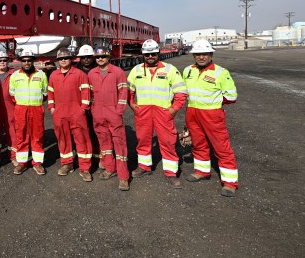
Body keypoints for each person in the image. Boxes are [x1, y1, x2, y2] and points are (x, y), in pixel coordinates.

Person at [127, 39, 188, 188]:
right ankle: (144, 166)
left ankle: (171, 172)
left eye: (153, 53)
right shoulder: (136, 70)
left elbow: (181, 92)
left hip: (163, 112)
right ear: (143, 54)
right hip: (143, 112)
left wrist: (173, 110)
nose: (150, 57)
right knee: (142, 139)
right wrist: (133, 105)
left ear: (158, 53)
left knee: (168, 140)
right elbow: (128, 91)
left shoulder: (170, 69)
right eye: (147, 54)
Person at [182, 40, 239, 197]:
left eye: (204, 54)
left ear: (211, 54)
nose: (201, 57)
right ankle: (202, 171)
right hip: (192, 112)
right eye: (198, 54)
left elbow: (231, 96)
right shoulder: (187, 70)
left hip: (212, 114)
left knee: (221, 147)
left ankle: (229, 183)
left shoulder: (221, 72)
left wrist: (214, 104)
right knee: (198, 144)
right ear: (193, 55)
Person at [87, 46, 130, 191]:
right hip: (98, 114)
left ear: (108, 57)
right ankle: (110, 168)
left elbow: (124, 93)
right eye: (98, 57)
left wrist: (119, 112)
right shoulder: (92, 73)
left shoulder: (118, 72)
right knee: (104, 143)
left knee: (119, 143)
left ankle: (123, 177)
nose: (100, 59)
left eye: (103, 56)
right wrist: (93, 110)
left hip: (114, 114)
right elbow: (90, 94)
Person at [47, 48, 93, 182]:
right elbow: (50, 93)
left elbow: (86, 93)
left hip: (76, 113)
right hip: (59, 113)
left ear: (71, 59)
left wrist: (83, 109)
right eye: (60, 59)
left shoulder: (79, 74)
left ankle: (85, 168)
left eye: (66, 58)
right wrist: (52, 108)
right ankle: (67, 163)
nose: (63, 61)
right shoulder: (53, 75)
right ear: (58, 61)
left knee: (82, 139)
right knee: (63, 139)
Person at [9, 49, 49, 175]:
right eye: (24, 60)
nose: (27, 63)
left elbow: (45, 93)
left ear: (33, 61)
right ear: (21, 61)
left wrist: (35, 103)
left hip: (36, 108)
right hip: (21, 109)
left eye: (29, 60)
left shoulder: (41, 75)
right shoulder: (15, 76)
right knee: (21, 136)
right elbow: (12, 94)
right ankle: (22, 163)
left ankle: (37, 163)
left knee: (37, 136)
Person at [76, 44, 102, 169]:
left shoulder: (99, 69)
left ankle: (98, 156)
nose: (86, 59)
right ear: (79, 58)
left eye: (88, 57)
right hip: (79, 107)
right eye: (83, 57)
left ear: (93, 57)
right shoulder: (75, 71)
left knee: (97, 132)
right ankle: (83, 156)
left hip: (96, 106)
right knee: (80, 132)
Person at [0, 50, 17, 165]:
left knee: (12, 133)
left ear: (8, 62)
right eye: (0, 61)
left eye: (4, 60)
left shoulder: (14, 75)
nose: (2, 62)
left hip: (10, 107)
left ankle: (13, 156)